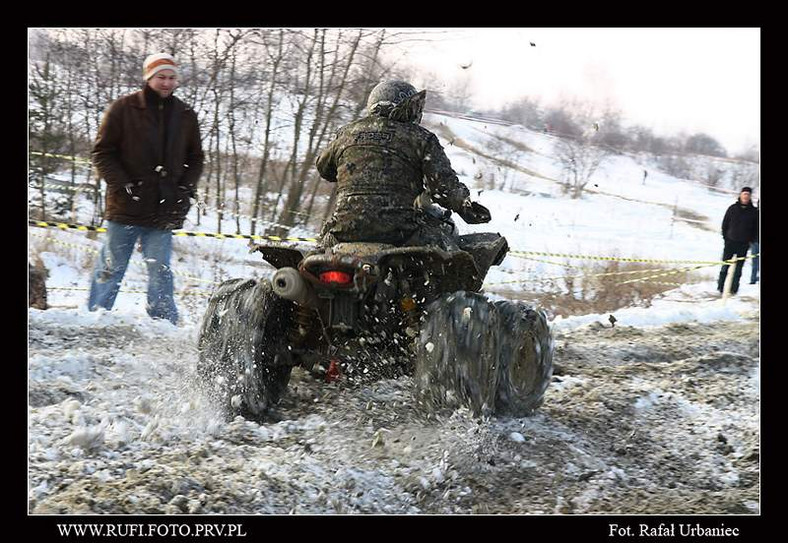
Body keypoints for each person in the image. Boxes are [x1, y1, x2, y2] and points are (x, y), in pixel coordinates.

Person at [88, 53, 204, 324]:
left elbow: (196, 158)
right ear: (148, 77)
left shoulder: (186, 115)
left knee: (160, 270)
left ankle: (164, 322)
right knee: (110, 267)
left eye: (171, 77)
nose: (166, 83)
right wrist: (123, 184)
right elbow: (102, 152)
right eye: (161, 77)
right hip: (126, 206)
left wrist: (184, 190)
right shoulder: (123, 109)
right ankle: (95, 317)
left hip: (164, 208)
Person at [315, 80, 490, 250]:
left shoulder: (346, 134)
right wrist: (464, 205)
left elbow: (325, 169)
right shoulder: (421, 138)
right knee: (450, 248)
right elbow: (443, 189)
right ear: (408, 108)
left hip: (345, 230)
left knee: (315, 256)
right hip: (401, 233)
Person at [717, 187, 758, 295]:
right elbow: (724, 224)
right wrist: (726, 238)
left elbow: (756, 229)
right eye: (744, 194)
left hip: (743, 245)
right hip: (730, 242)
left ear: (750, 197)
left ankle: (734, 290)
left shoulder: (754, 212)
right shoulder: (732, 208)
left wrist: (750, 241)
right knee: (725, 266)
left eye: (748, 195)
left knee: (738, 270)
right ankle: (720, 287)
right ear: (740, 195)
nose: (746, 196)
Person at [749, 197, 759, 284]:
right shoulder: (755, 213)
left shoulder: (755, 213)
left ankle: (753, 279)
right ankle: (753, 279)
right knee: (755, 262)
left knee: (755, 262)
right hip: (755, 241)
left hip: (754, 241)